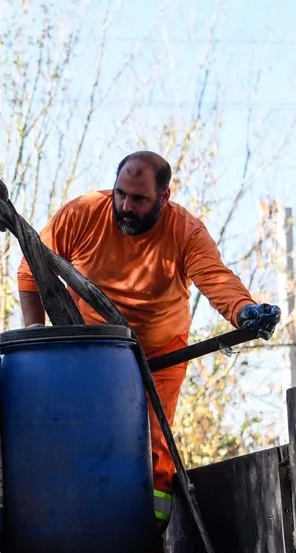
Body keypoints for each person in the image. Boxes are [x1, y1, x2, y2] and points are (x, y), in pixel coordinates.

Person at [17, 151, 280, 530]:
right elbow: (31, 270)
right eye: (120, 193)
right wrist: (36, 337)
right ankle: (78, 533)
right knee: (80, 440)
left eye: (139, 199)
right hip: (91, 355)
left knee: (155, 451)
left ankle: (146, 547)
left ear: (164, 197)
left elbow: (215, 278)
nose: (125, 206)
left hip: (160, 354)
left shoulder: (185, 231)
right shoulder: (83, 214)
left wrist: (244, 311)